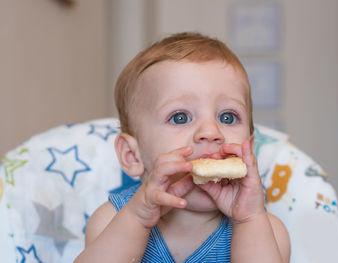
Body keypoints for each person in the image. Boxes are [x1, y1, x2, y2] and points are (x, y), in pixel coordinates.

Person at [75, 32, 290, 263]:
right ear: (132, 156)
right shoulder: (111, 220)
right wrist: (137, 219)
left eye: (227, 117)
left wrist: (248, 220)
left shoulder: (267, 232)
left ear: (250, 148)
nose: (210, 132)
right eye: (180, 118)